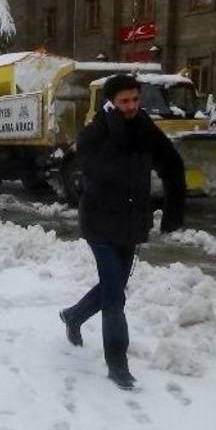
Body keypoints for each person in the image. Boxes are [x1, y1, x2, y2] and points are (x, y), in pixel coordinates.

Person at [59, 74, 186, 390]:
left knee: (111, 286)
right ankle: (118, 365)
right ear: (111, 102)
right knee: (115, 296)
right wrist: (117, 137)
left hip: (131, 223)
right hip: (100, 223)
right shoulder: (94, 133)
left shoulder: (144, 128)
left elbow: (172, 165)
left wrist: (173, 211)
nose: (131, 106)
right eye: (124, 102)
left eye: (135, 100)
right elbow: (96, 172)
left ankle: (74, 316)